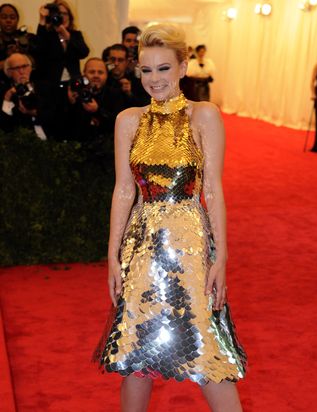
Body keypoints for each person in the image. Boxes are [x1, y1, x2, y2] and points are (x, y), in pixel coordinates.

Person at [93, 24, 246, 412]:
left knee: (207, 348)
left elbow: (212, 190)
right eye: (146, 70)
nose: (154, 79)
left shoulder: (204, 115)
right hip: (141, 246)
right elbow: (124, 191)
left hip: (189, 247)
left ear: (182, 69)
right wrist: (112, 256)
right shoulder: (128, 120)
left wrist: (221, 257)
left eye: (164, 69)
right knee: (134, 351)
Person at [34, 1, 89, 139]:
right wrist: (42, 20)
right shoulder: (47, 35)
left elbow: (83, 52)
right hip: (51, 88)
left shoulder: (75, 35)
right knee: (53, 123)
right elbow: (37, 51)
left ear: (70, 17)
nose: (62, 17)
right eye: (58, 14)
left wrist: (66, 35)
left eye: (65, 14)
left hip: (72, 87)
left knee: (73, 123)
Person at [67, 57, 125, 142]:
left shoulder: (115, 94)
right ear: (84, 74)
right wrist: (70, 103)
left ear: (106, 75)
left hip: (107, 146)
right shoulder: (76, 93)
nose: (96, 75)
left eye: (100, 72)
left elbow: (119, 123)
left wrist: (97, 111)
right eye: (91, 72)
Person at [0, 52, 54, 138]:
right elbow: (5, 128)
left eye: (24, 66)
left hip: (50, 138)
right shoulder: (5, 93)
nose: (21, 72)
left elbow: (55, 117)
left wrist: (34, 113)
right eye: (16, 68)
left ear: (30, 68)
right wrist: (7, 99)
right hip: (22, 142)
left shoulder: (45, 88)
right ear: (9, 72)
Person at [0, 3, 37, 71]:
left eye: (12, 17)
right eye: (4, 17)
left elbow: (38, 62)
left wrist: (22, 54)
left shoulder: (29, 38)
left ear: (17, 20)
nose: (8, 20)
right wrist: (10, 59)